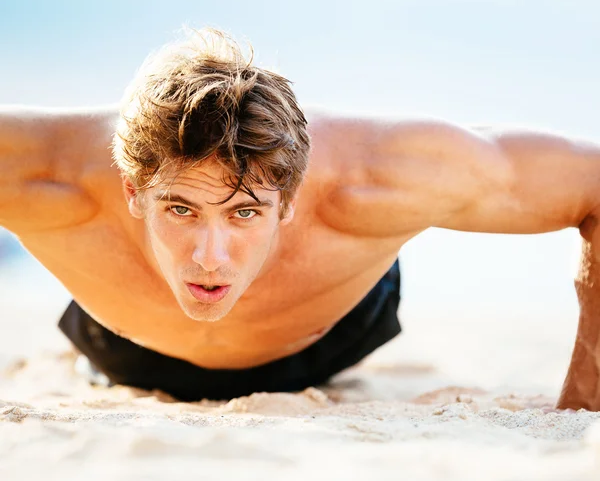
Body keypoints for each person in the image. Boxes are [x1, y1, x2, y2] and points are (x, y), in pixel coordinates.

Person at [1, 29, 599, 410]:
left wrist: (585, 397)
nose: (210, 255)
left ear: (288, 200)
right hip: (124, 342)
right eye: (180, 209)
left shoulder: (378, 180)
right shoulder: (50, 177)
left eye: (244, 212)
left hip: (323, 336)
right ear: (132, 191)